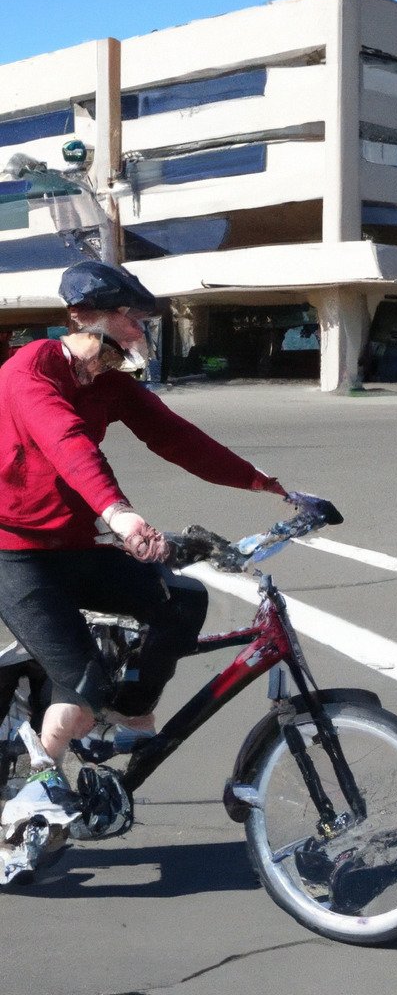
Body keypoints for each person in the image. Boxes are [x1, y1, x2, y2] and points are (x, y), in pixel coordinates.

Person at [0, 260, 289, 877]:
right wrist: (122, 515)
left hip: (74, 544)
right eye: (132, 317)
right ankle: (26, 808)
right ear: (86, 317)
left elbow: (177, 438)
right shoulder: (29, 373)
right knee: (80, 696)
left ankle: (130, 713)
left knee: (183, 600)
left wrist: (267, 485)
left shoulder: (111, 382)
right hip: (16, 551)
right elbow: (66, 441)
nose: (140, 329)